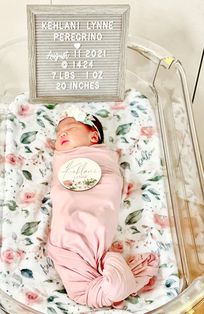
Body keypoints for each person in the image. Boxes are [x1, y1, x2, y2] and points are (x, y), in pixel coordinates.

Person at [47, 107, 159, 308]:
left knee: (95, 219)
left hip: (94, 213)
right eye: (58, 134)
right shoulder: (61, 158)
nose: (61, 133)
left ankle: (105, 285)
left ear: (93, 137)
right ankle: (104, 285)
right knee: (65, 206)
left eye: (70, 128)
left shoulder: (103, 157)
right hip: (67, 216)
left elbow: (110, 183)